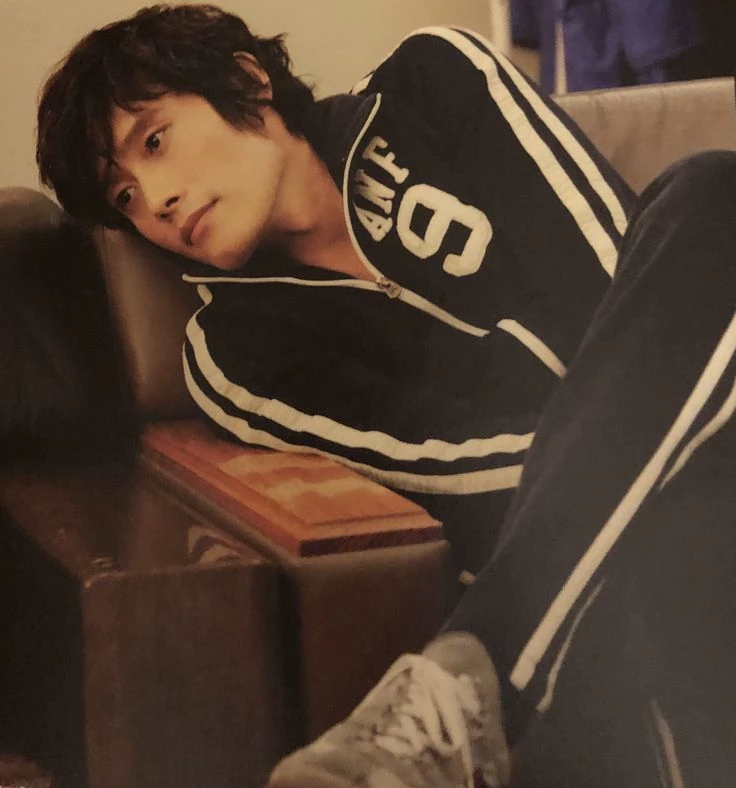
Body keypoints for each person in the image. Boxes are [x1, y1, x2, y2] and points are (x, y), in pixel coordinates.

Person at [35, 5, 736, 786]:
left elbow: (628, 282)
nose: (156, 200)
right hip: (632, 552)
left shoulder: (434, 84)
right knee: (680, 534)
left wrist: (640, 429)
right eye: (124, 197)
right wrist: (647, 449)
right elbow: (458, 478)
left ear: (246, 79)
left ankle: (466, 687)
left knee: (712, 195)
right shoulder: (237, 352)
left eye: (154, 141)